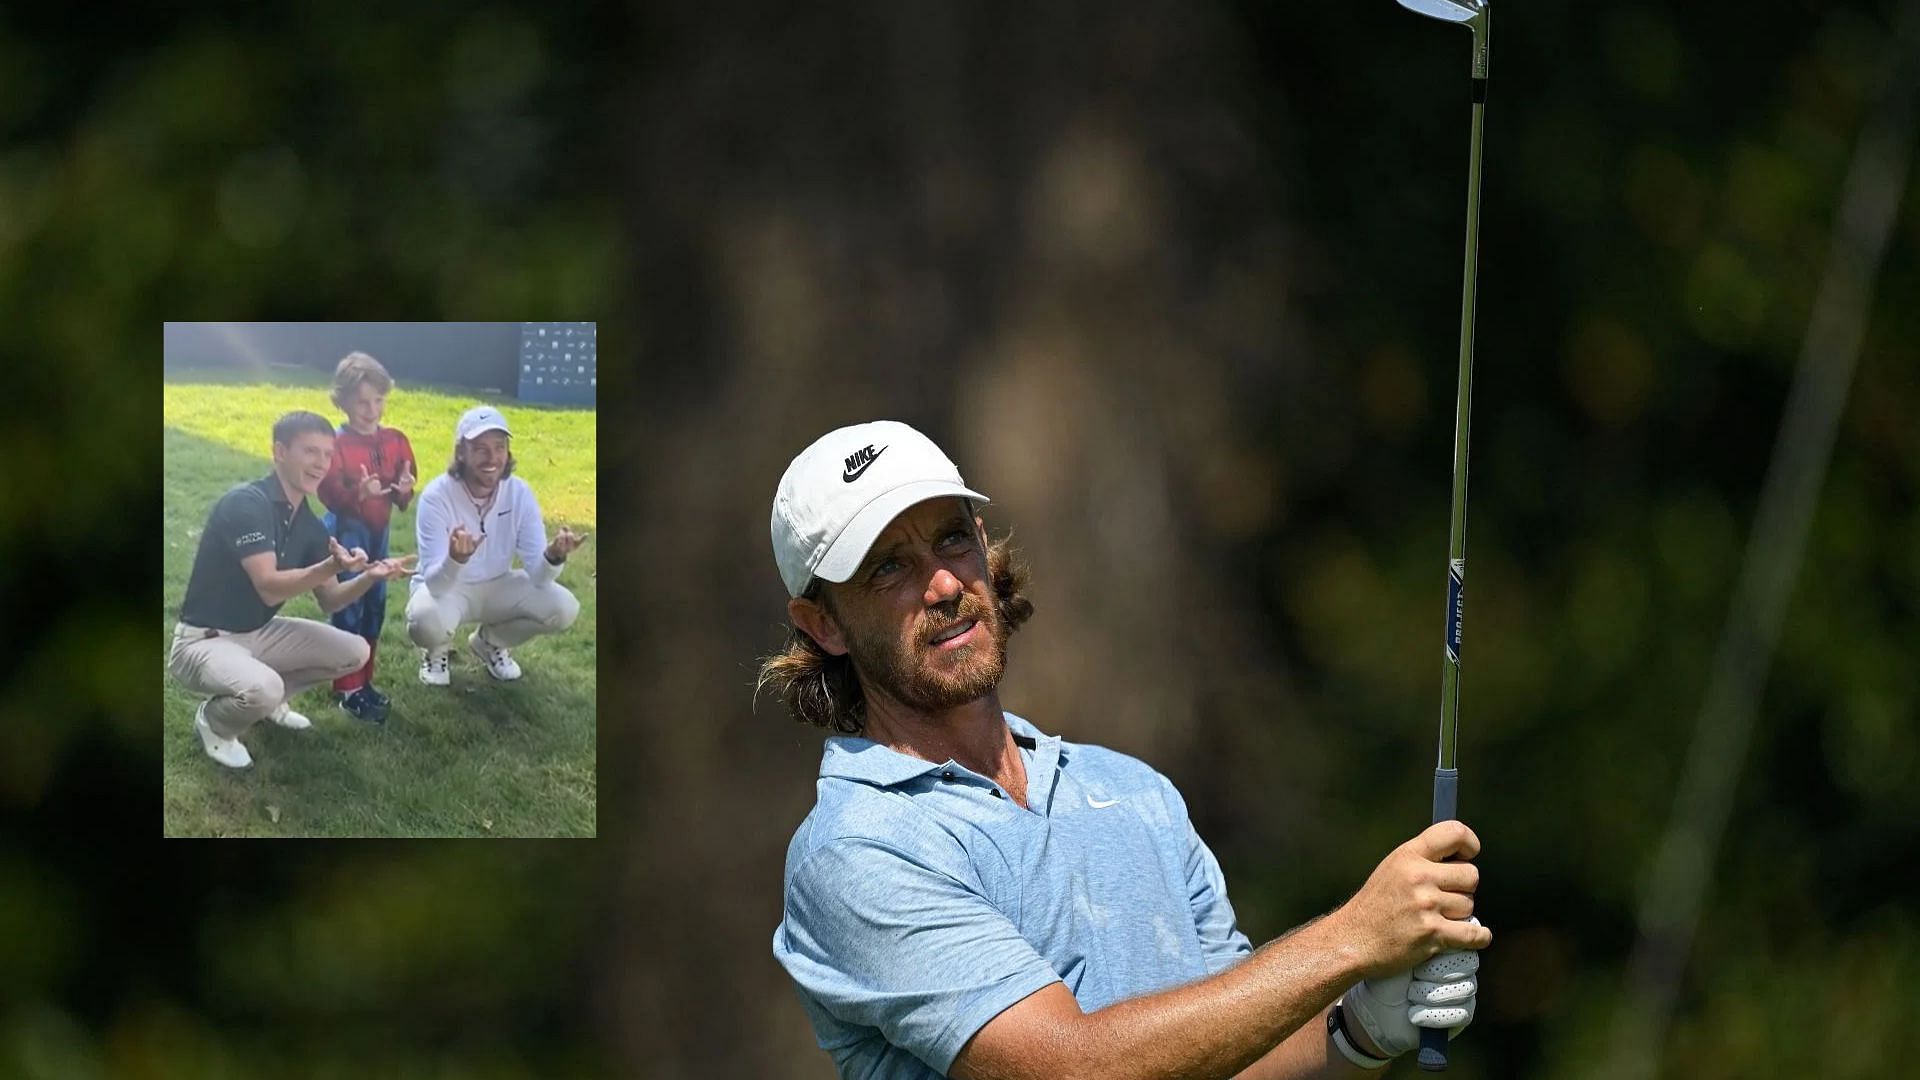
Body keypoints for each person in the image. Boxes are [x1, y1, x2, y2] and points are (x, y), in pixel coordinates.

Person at [763, 421, 1490, 1079]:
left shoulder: (1132, 790)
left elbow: (1226, 1052)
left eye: (952, 538)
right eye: (887, 568)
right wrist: (1353, 939)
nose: (945, 584)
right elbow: (1071, 1070)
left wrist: (1356, 1025)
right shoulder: (858, 852)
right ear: (822, 623)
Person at [169, 411, 417, 769]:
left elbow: (330, 597)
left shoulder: (308, 522)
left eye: (328, 455)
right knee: (263, 686)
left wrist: (369, 577)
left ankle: (267, 705)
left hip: (258, 633)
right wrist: (329, 565)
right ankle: (216, 724)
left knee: (353, 651)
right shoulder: (246, 503)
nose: (321, 464)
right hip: (202, 641)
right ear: (279, 452)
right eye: (310, 452)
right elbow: (269, 587)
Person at [406, 405, 584, 686]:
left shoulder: (519, 492)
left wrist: (553, 556)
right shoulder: (436, 496)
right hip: (449, 589)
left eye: (499, 447)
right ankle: (436, 650)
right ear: (461, 452)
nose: (492, 458)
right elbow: (435, 585)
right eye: (480, 448)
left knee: (563, 607)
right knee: (425, 622)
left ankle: (490, 643)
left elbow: (539, 577)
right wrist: (455, 559)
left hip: (498, 584)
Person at [315, 351, 418, 724]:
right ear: (342, 401)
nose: (371, 409)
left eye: (378, 400)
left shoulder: (395, 440)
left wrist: (404, 489)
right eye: (361, 401)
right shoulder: (336, 443)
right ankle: (347, 687)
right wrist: (357, 494)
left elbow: (403, 488)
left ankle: (365, 680)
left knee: (376, 602)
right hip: (347, 534)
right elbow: (326, 491)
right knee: (349, 605)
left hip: (380, 532)